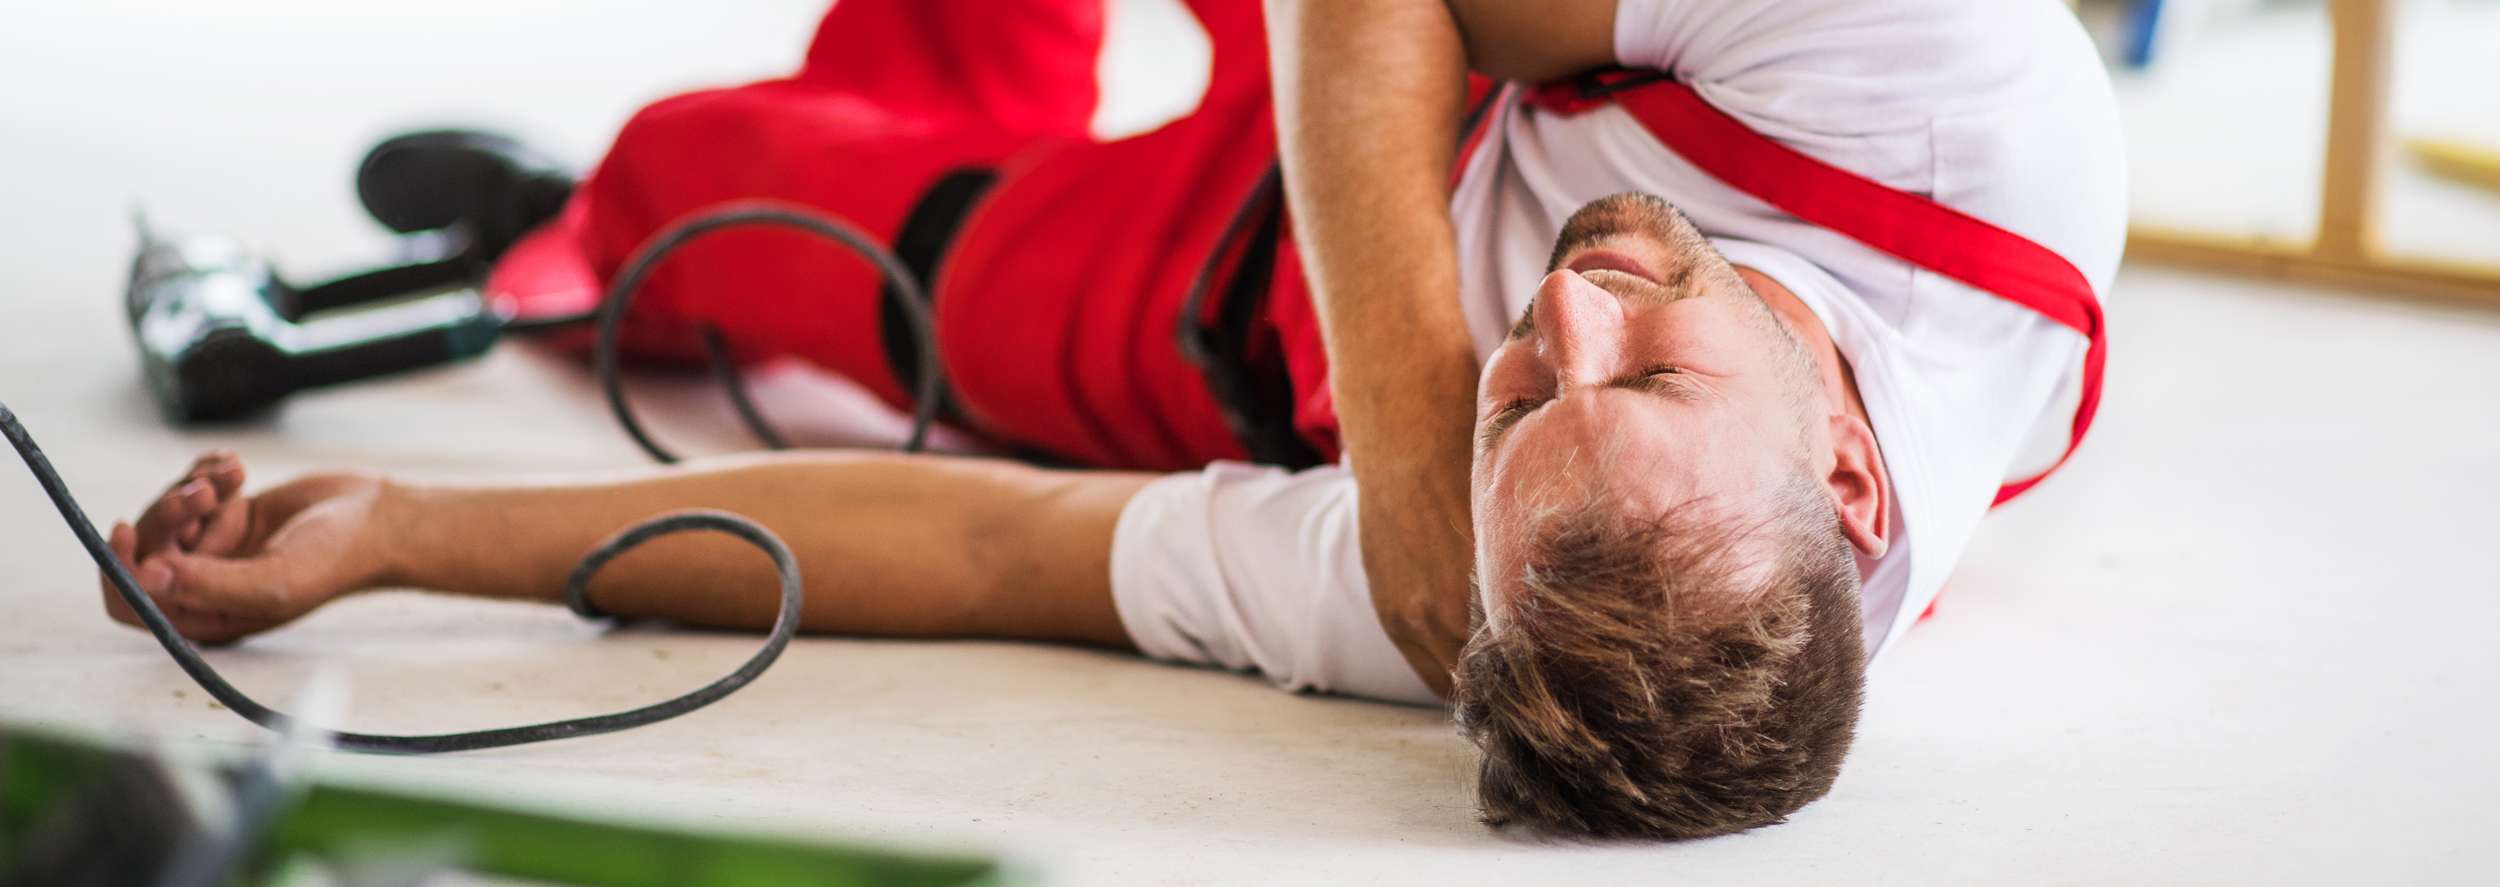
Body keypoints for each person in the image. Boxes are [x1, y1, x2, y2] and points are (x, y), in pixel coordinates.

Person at [97, 0, 2122, 839]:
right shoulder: (1955, 91)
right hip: (1428, 89)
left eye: (1533, 407)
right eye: (1658, 365)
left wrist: (410, 533)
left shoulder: (1501, 611)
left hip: (1224, 290)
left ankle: (593, 205)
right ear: (1842, 470)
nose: (1569, 314)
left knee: (710, 196)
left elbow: (1001, 543)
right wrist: (1428, 443)